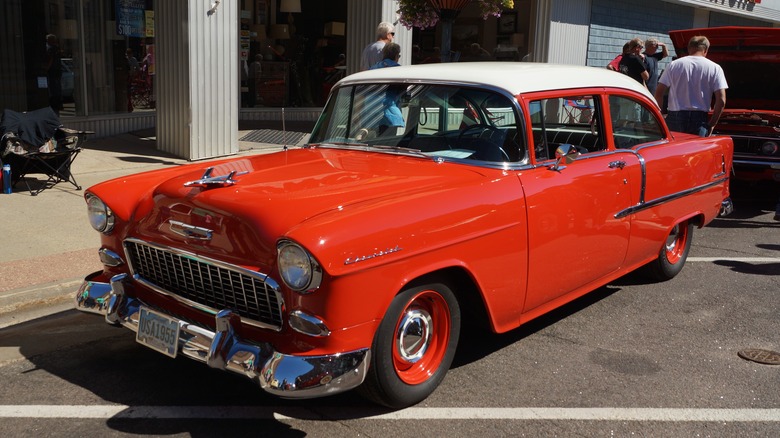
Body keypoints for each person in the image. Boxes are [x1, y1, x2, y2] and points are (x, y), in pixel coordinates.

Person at [654, 35, 728, 137]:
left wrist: (661, 115)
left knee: (674, 147)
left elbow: (659, 93)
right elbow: (721, 100)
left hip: (675, 116)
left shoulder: (674, 65)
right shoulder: (715, 68)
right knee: (696, 147)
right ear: (705, 50)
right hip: (700, 119)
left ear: (689, 48)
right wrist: (712, 124)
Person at [44, 34, 63, 113]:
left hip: (53, 71)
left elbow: (50, 60)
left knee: (53, 89)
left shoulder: (51, 49)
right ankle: (58, 105)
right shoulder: (57, 48)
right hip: (58, 71)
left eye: (47, 40)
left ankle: (54, 106)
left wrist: (46, 68)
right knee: (57, 88)